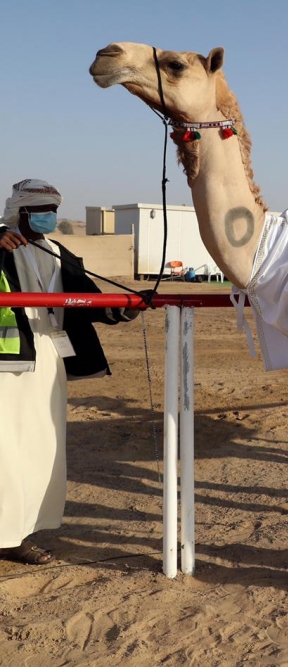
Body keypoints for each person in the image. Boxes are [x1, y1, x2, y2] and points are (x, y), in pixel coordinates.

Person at [0, 179, 141, 565]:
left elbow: (87, 297)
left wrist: (123, 308)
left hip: (47, 360)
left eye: (53, 210)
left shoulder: (57, 251)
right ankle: (6, 536)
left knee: (38, 449)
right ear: (20, 212)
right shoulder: (1, 242)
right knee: (5, 450)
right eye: (41, 210)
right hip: (6, 364)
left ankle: (18, 530)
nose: (49, 217)